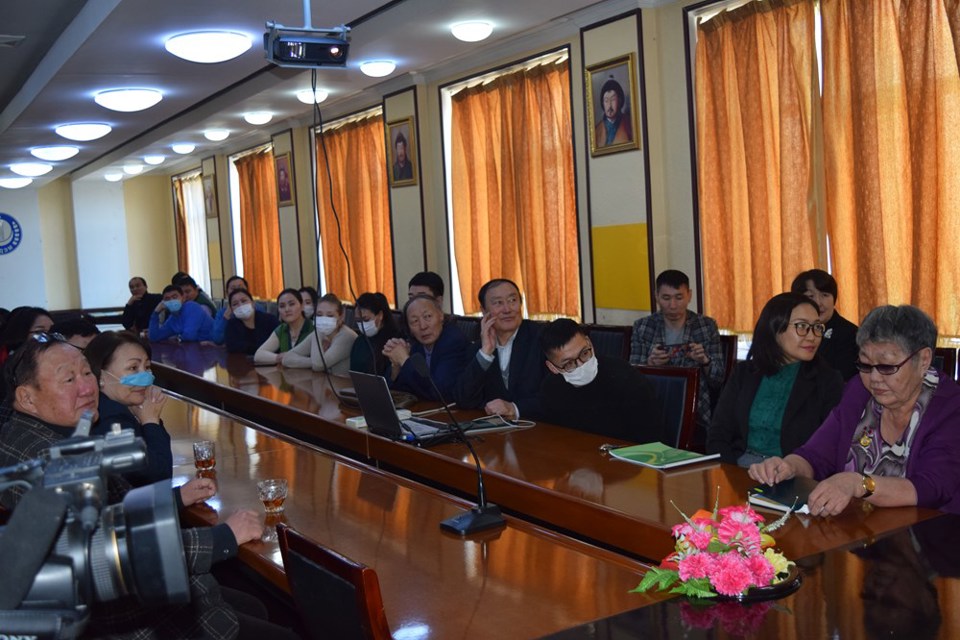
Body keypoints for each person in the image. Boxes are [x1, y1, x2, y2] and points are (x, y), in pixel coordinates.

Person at [0, 336, 299, 639]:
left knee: (258, 606)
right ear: (27, 398)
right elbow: (109, 557)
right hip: (140, 621)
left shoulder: (42, 436)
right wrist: (223, 536)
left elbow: (112, 511)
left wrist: (176, 497)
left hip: (121, 604)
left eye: (87, 373)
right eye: (68, 379)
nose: (87, 388)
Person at [749, 305, 960, 516]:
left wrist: (860, 484)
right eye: (866, 364)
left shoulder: (950, 406)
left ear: (924, 360)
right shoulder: (858, 390)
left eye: (887, 367)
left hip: (926, 534)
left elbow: (933, 487)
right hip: (857, 527)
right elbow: (816, 455)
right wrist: (789, 467)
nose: (874, 378)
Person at [706, 293, 844, 466]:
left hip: (792, 473)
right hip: (738, 468)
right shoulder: (744, 373)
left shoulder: (828, 381)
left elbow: (828, 446)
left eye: (817, 327)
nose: (812, 336)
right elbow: (719, 434)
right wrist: (730, 475)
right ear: (774, 328)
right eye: (802, 326)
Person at [630, 270, 725, 441]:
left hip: (696, 411)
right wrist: (650, 364)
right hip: (655, 405)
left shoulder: (706, 326)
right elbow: (631, 378)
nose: (673, 305)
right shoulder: (643, 327)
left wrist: (705, 361)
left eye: (679, 298)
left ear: (689, 296)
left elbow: (718, 379)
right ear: (656, 297)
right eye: (666, 298)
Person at [539, 319, 666, 443]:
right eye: (569, 363)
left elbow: (651, 438)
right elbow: (554, 439)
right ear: (553, 367)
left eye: (584, 353)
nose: (581, 364)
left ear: (589, 343)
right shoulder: (551, 388)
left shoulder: (625, 378)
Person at [84, 330, 173, 486]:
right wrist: (151, 422)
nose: (145, 377)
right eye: (133, 368)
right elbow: (157, 476)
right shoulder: (110, 419)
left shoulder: (114, 407)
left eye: (147, 367)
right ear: (101, 375)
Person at [455, 278, 546, 420]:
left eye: (512, 300)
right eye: (498, 303)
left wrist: (515, 409)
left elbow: (557, 396)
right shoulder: (478, 349)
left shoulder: (542, 338)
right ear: (484, 311)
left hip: (543, 429)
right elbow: (464, 399)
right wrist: (485, 354)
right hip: (498, 433)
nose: (507, 309)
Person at [384, 294, 468, 400]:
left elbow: (438, 392)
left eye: (427, 316)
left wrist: (405, 360)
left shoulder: (453, 340)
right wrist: (396, 366)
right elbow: (399, 392)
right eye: (415, 321)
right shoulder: (415, 344)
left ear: (441, 315)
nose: (423, 326)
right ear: (409, 328)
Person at [791, 269, 859, 380]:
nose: (818, 303)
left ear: (834, 299)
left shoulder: (850, 334)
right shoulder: (791, 331)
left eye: (825, 295)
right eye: (810, 296)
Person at [254, 288, 310, 365]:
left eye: (291, 304)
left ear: (302, 306)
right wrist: (280, 358)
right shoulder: (282, 329)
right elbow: (258, 355)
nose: (287, 309)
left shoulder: (313, 328)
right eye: (282, 306)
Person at [349, 292, 401, 375]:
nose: (362, 325)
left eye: (365, 320)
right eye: (358, 321)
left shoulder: (395, 341)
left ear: (380, 315)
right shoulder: (359, 341)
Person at [148, 284, 214, 343]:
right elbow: (154, 337)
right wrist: (155, 313)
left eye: (175, 297)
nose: (171, 301)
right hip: (195, 348)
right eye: (167, 299)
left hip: (214, 347)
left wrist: (178, 337)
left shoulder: (192, 307)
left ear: (183, 298)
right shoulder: (172, 318)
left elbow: (189, 336)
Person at [221, 288, 279, 355]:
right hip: (243, 363)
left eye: (244, 301)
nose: (240, 305)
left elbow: (278, 343)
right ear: (231, 309)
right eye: (235, 304)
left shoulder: (270, 320)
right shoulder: (231, 325)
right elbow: (233, 348)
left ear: (253, 303)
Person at [594, 77, 633, 147]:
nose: (609, 105)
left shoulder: (629, 124)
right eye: (606, 101)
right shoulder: (596, 130)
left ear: (620, 101)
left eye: (613, 100)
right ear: (602, 103)